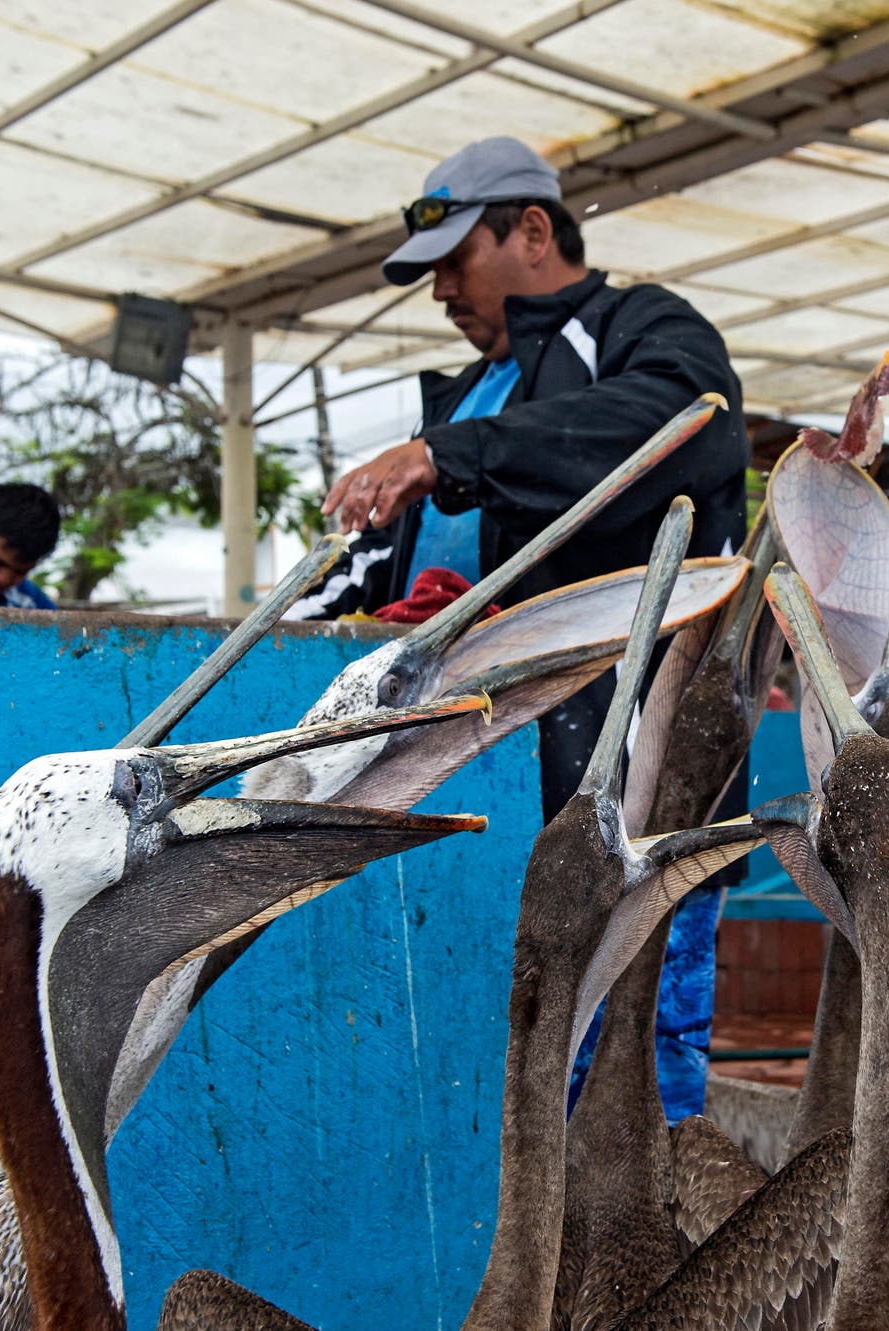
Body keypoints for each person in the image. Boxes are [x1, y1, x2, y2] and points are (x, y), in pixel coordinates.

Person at [295, 136, 749, 1121]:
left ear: (532, 230)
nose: (441, 293)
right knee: (516, 1086)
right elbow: (411, 574)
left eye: (456, 262)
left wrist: (445, 451)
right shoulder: (462, 394)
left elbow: (681, 422)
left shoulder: (641, 329)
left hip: (632, 783)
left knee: (627, 1080)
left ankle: (637, 1261)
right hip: (487, 796)